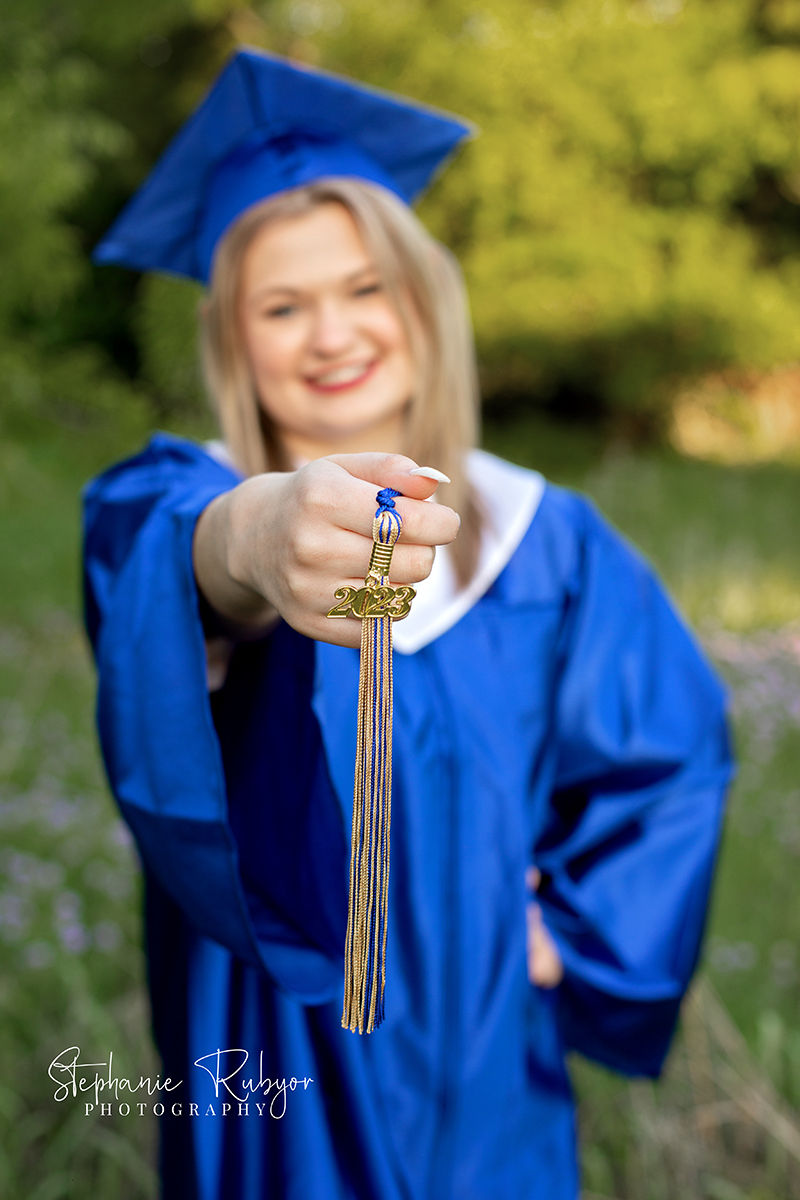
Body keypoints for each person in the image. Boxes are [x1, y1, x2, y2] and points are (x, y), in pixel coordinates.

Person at [83, 47, 732, 1200]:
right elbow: (168, 562)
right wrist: (253, 533)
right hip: (277, 1037)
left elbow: (666, 750)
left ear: (423, 301)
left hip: (487, 1037)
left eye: (362, 288)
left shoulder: (547, 540)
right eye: (281, 306)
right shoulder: (184, 501)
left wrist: (575, 938)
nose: (329, 334)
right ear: (232, 339)